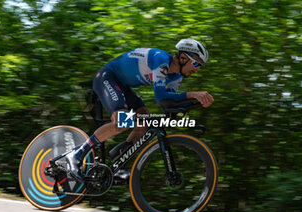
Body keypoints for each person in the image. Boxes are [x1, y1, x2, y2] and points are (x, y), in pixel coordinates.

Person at [65, 38, 214, 183]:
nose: (196, 69)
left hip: (124, 87)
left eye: (199, 66)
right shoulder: (161, 60)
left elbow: (168, 104)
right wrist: (192, 94)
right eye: (195, 64)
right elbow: (161, 97)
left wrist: (196, 102)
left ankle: (117, 164)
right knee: (122, 121)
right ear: (182, 57)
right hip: (108, 78)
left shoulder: (175, 77)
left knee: (144, 122)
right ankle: (77, 155)